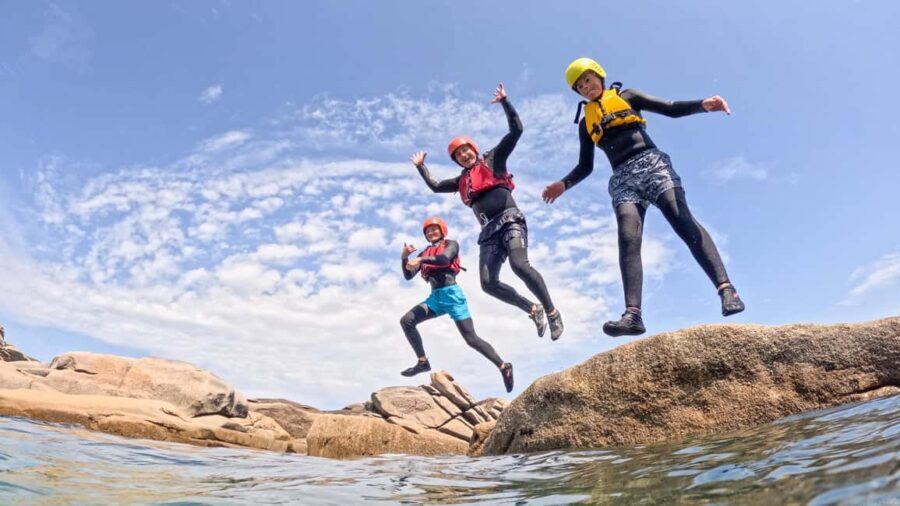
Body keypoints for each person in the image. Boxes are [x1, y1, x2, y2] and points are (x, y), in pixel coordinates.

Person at [542, 57, 745, 337]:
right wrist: (563, 184)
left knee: (682, 221)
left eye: (588, 80)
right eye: (579, 86)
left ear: (599, 76)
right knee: (628, 236)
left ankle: (726, 289)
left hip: (652, 164)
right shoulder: (585, 124)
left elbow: (670, 109)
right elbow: (585, 166)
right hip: (623, 178)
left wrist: (703, 105)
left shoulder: (628, 96)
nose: (586, 87)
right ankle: (633, 315)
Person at [410, 83, 564, 341]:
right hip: (488, 232)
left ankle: (552, 311)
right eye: (458, 155)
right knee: (488, 283)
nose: (464, 155)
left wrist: (505, 102)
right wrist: (421, 167)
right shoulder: (461, 181)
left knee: (520, 266)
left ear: (473, 149)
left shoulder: (493, 160)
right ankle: (532, 309)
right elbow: (436, 186)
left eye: (466, 150)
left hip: (510, 220)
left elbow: (516, 130)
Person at [400, 216, 514, 393]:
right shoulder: (424, 253)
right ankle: (423, 362)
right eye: (428, 231)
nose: (431, 232)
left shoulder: (451, 244)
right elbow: (408, 275)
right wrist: (405, 258)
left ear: (442, 230)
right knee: (406, 321)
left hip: (452, 295)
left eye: (434, 229)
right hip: (435, 299)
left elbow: (445, 260)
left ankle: (503, 366)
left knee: (471, 339)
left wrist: (420, 260)